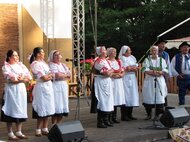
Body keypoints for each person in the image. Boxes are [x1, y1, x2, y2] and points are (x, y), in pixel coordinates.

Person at [1, 50, 32, 140]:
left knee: (21, 109)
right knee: (11, 110)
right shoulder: (6, 67)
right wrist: (21, 79)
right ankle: (10, 133)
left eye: (17, 55)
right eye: (14, 55)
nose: (17, 57)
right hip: (11, 91)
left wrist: (20, 78)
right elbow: (12, 80)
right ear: (9, 57)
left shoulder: (21, 66)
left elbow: (29, 77)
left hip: (21, 90)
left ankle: (19, 131)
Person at [30, 47, 55, 136]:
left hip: (48, 87)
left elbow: (51, 75)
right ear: (38, 54)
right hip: (41, 87)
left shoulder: (44, 63)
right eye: (42, 52)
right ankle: (38, 129)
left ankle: (45, 128)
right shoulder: (35, 64)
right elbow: (44, 78)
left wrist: (49, 76)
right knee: (41, 106)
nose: (44, 54)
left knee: (47, 106)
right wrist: (48, 76)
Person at [141, 46, 168, 120]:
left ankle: (157, 115)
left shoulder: (162, 60)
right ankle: (149, 114)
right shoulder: (147, 60)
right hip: (149, 80)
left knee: (159, 96)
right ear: (150, 51)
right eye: (152, 50)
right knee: (148, 96)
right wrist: (153, 73)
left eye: (155, 50)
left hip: (159, 80)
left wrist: (161, 72)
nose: (154, 52)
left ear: (158, 51)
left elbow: (165, 69)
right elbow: (144, 69)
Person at [48, 50, 70, 124]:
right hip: (55, 86)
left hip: (63, 85)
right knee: (56, 104)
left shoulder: (63, 65)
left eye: (59, 55)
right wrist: (64, 75)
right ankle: (54, 125)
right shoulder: (51, 65)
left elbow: (69, 75)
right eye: (55, 55)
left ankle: (59, 124)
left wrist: (63, 75)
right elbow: (57, 75)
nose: (58, 56)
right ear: (52, 57)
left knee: (63, 104)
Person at [94, 46, 114, 128]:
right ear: (100, 52)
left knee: (108, 100)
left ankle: (106, 119)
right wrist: (110, 72)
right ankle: (100, 121)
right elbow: (108, 73)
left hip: (107, 81)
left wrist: (110, 71)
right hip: (101, 82)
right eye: (104, 50)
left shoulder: (106, 61)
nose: (106, 51)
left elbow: (111, 71)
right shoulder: (98, 61)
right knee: (102, 101)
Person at [119, 45, 139, 121]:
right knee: (126, 96)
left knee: (132, 95)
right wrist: (131, 68)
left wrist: (132, 68)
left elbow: (136, 67)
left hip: (132, 77)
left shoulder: (132, 57)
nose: (130, 52)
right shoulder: (122, 58)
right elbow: (126, 68)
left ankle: (130, 114)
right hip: (125, 78)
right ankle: (124, 115)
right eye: (129, 50)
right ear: (125, 52)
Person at [107, 47, 125, 123]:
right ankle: (109, 117)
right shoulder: (107, 62)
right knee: (111, 98)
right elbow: (108, 72)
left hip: (118, 82)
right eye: (113, 52)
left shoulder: (119, 61)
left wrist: (121, 75)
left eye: (115, 51)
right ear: (110, 53)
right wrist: (115, 75)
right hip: (112, 81)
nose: (115, 53)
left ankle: (114, 117)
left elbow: (123, 70)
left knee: (117, 98)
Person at [154, 37, 171, 106]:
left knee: (164, 90)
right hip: (155, 75)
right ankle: (155, 107)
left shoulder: (166, 54)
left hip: (164, 75)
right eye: (162, 44)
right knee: (156, 90)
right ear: (157, 45)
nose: (163, 45)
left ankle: (164, 106)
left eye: (164, 44)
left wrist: (168, 75)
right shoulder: (153, 53)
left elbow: (168, 65)